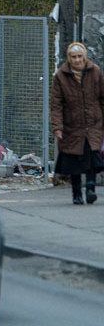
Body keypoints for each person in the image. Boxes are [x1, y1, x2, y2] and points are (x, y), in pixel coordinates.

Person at [51, 42, 104, 204]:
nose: (77, 60)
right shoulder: (61, 76)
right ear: (69, 58)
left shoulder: (95, 72)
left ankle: (90, 188)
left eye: (80, 56)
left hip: (93, 122)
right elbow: (56, 104)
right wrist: (57, 127)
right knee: (74, 159)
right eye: (73, 57)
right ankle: (76, 193)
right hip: (71, 125)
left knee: (92, 155)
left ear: (85, 56)